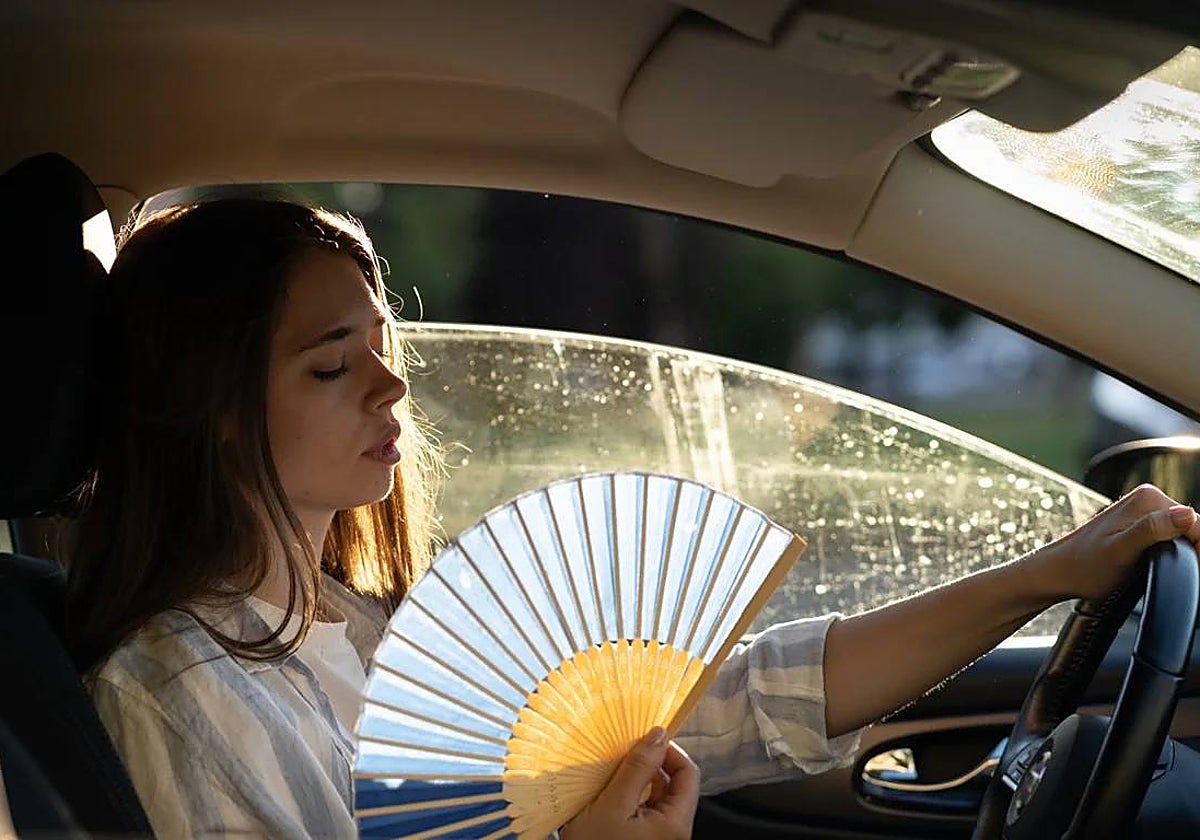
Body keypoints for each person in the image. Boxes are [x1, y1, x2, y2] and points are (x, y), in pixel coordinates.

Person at [65, 198, 1200, 840]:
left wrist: (1043, 576)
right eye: (332, 365)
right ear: (210, 409)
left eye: (382, 344)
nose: (392, 385)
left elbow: (740, 703)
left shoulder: (375, 632)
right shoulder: (182, 698)